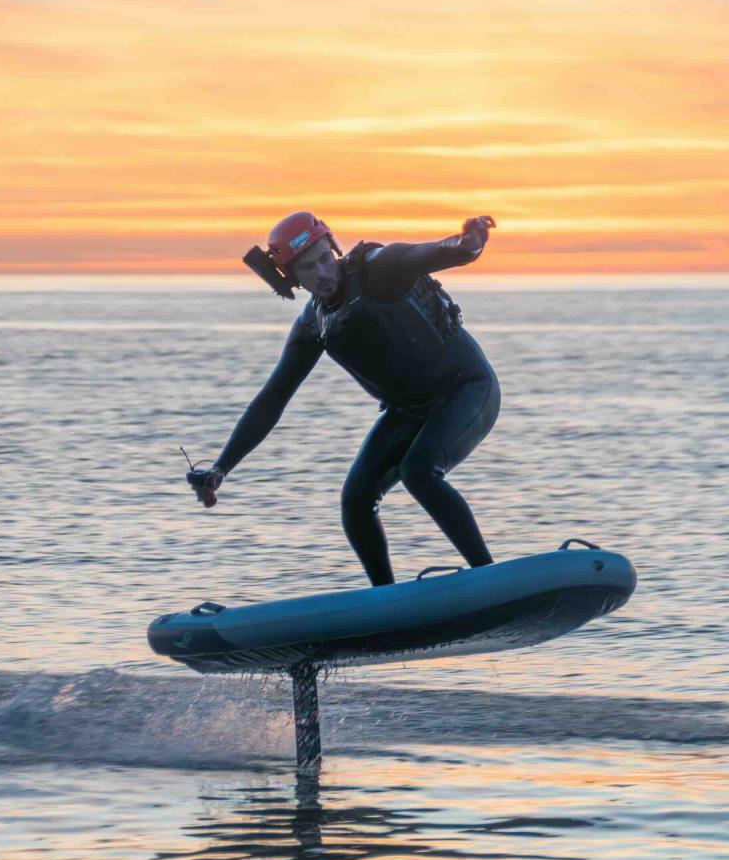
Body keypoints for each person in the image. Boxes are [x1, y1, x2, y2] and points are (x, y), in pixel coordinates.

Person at [186, 211, 501, 586]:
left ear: (333, 247)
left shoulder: (379, 270)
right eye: (307, 268)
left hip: (466, 388)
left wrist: (469, 241)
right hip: (409, 410)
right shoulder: (313, 325)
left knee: (419, 472)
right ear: (291, 277)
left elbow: (439, 252)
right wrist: (221, 468)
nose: (321, 272)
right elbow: (272, 399)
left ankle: (490, 579)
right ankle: (388, 602)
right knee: (356, 500)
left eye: (323, 258)